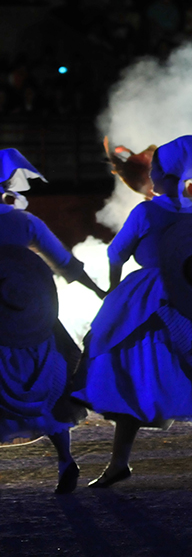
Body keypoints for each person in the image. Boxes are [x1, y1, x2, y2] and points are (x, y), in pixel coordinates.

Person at [76, 136, 192, 488]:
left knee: (133, 374)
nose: (150, 174)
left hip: (151, 306)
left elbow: (116, 255)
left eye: (154, 168)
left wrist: (115, 292)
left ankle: (119, 462)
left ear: (165, 173)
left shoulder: (146, 211)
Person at [0, 150, 105, 493]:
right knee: (50, 386)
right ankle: (64, 459)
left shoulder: (24, 222)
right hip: (29, 317)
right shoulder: (25, 223)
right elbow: (65, 264)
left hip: (11, 314)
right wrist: (101, 291)